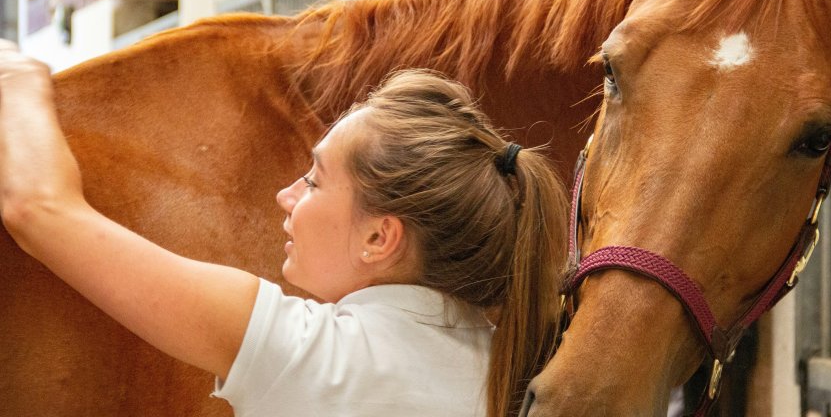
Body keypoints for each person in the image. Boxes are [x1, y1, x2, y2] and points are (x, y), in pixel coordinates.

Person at [0, 40, 568, 417]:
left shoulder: (305, 353)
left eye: (314, 181)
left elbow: (39, 209)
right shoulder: (516, 370)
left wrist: (16, 76)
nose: (286, 195)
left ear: (379, 238)